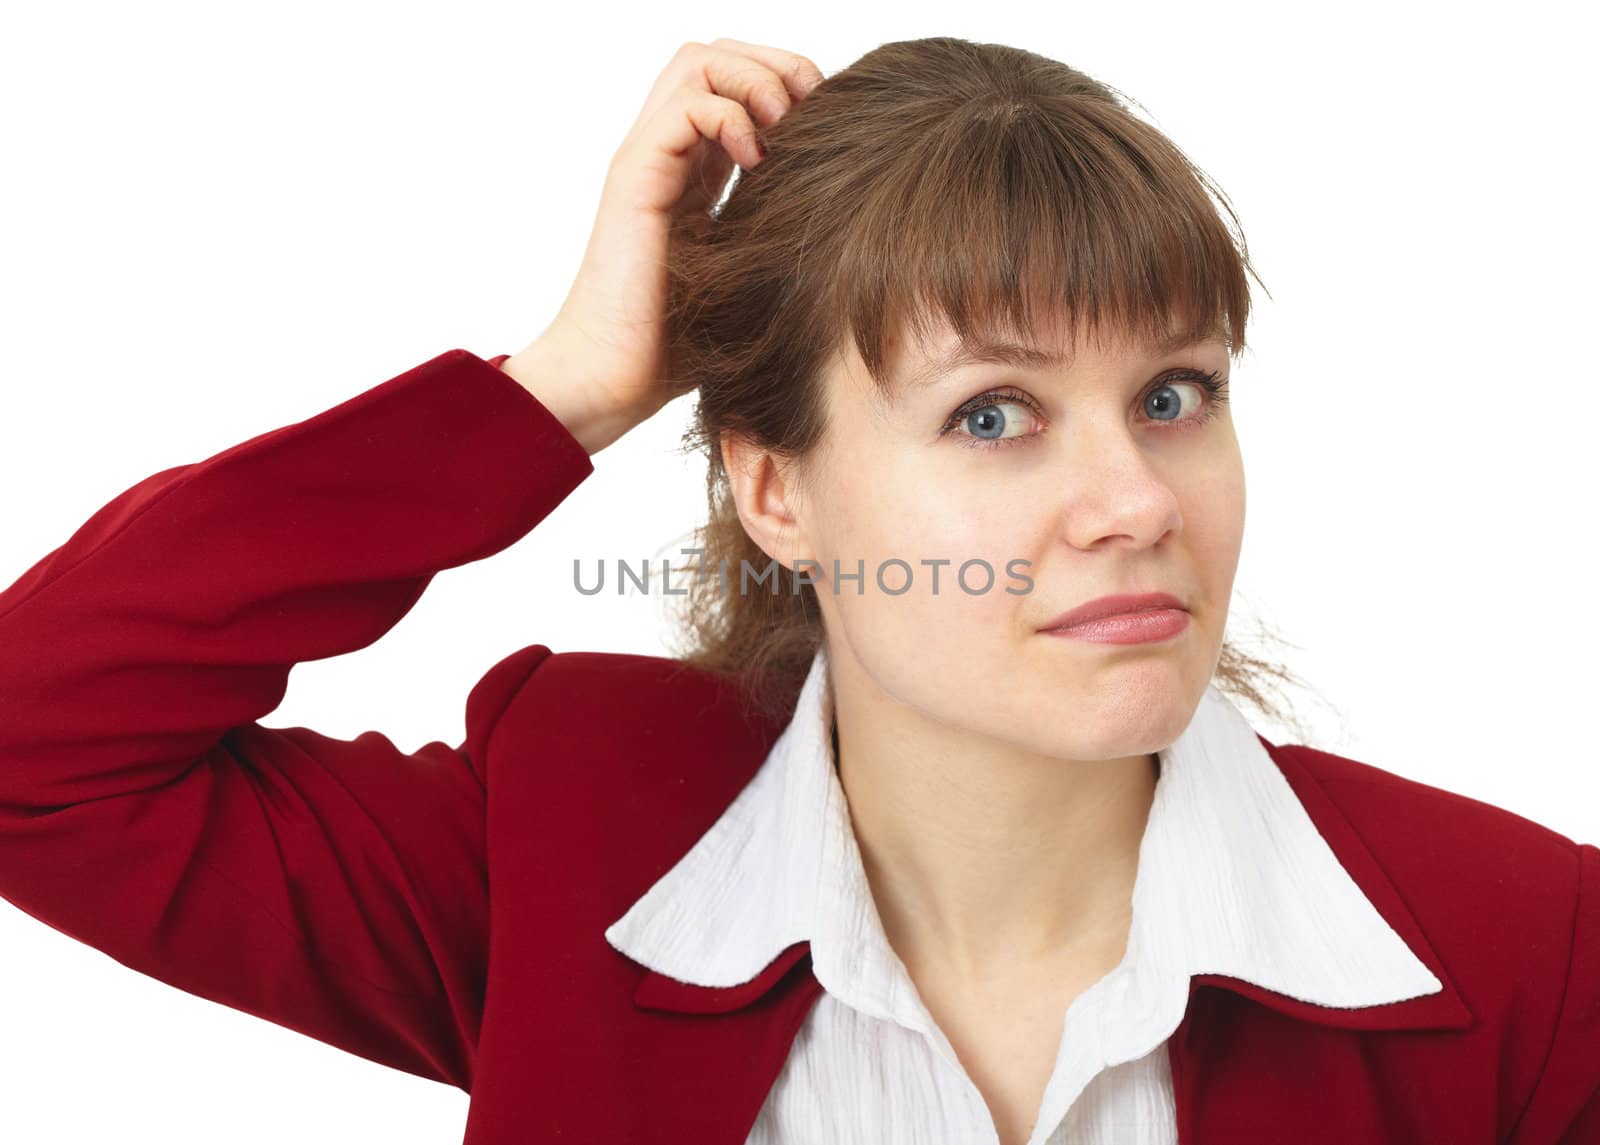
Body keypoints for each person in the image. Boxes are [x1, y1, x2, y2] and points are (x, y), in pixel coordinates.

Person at [0, 34, 1594, 1145]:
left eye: (1175, 394)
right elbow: (34, 746)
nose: (1134, 503)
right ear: (775, 489)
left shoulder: (1532, 953)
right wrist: (562, 389)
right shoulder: (570, 846)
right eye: (994, 413)